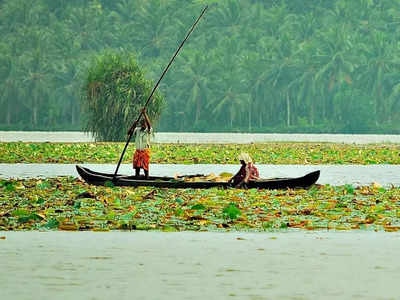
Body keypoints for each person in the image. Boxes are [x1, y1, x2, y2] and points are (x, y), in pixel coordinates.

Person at [128, 108, 152, 179]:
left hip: (145, 151)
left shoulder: (147, 131)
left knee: (145, 167)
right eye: (142, 124)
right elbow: (129, 133)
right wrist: (133, 125)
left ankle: (146, 178)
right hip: (138, 151)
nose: (143, 126)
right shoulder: (137, 130)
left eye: (144, 124)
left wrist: (144, 114)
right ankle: (137, 177)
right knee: (137, 167)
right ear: (140, 124)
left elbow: (149, 125)